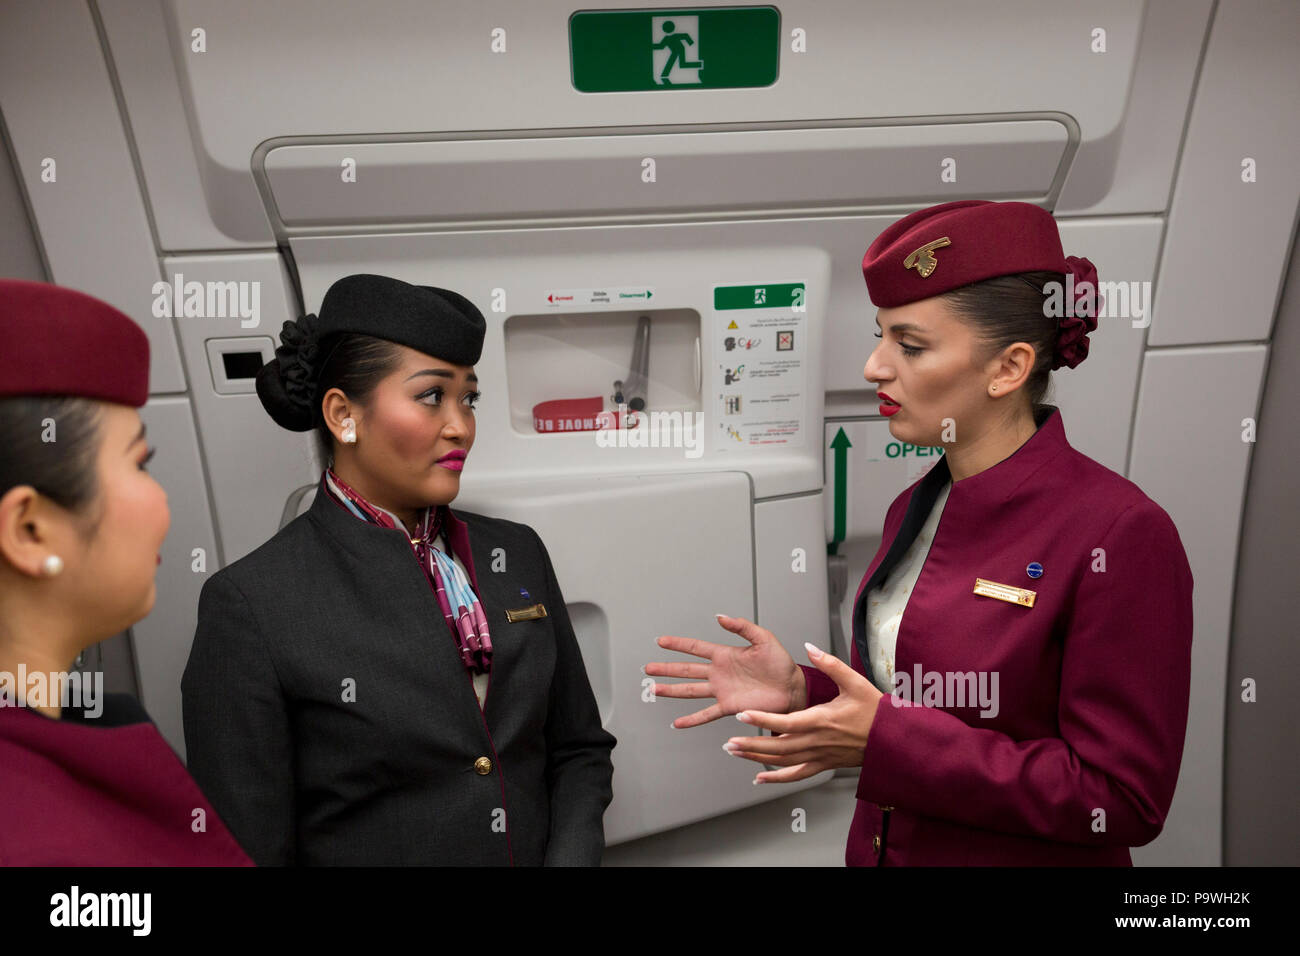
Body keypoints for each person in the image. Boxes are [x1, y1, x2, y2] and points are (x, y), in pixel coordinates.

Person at [648, 200, 1194, 866]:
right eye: (880, 336)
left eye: (909, 345)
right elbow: (915, 704)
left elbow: (1121, 798)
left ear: (1009, 368)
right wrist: (805, 693)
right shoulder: (917, 502)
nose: (875, 366)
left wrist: (886, 743)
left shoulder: (1119, 533)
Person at [182, 273, 615, 866]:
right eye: (432, 395)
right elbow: (246, 850)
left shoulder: (515, 553)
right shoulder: (253, 605)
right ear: (342, 415)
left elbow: (578, 750)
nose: (460, 424)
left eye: (469, 397)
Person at [0, 279, 251, 866]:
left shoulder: (95, 722)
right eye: (140, 463)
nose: (162, 500)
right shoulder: (36, 842)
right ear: (30, 531)